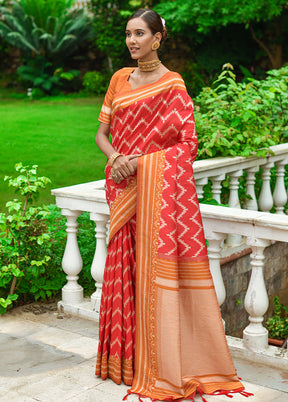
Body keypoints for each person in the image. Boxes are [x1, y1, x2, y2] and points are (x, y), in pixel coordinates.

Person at [95, 8, 251, 402]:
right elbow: (101, 134)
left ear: (158, 38)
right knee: (123, 272)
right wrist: (116, 159)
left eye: (140, 34)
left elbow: (187, 144)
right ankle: (124, 363)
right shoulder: (118, 79)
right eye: (128, 34)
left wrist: (142, 163)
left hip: (154, 196)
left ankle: (160, 362)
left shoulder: (173, 86)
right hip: (122, 189)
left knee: (149, 275)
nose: (132, 41)